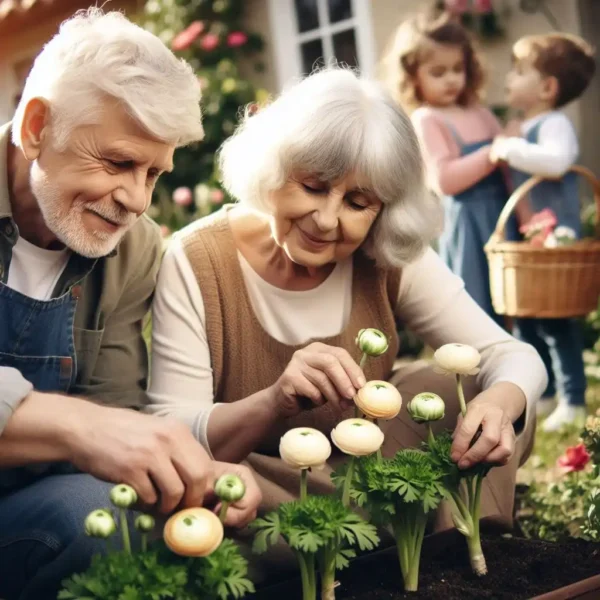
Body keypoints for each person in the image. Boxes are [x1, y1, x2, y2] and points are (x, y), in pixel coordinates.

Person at [148, 66, 548, 550]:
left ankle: (465, 555)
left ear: (383, 211)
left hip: (371, 470)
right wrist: (274, 399)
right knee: (214, 498)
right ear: (273, 167)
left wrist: (497, 404)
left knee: (464, 391)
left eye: (358, 203)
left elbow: (515, 357)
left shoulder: (387, 251)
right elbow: (174, 434)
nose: (326, 219)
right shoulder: (197, 259)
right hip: (268, 485)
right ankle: (398, 534)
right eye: (313, 187)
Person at [0, 9, 261, 600]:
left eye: (154, 173)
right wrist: (78, 426)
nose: (136, 200)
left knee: (102, 514)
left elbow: (112, 413)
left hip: (20, 510)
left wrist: (187, 473)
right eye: (118, 162)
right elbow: (94, 425)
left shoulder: (133, 247)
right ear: (38, 126)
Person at [381, 12, 526, 326]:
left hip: (502, 217)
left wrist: (526, 217)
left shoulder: (479, 112)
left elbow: (507, 172)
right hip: (468, 224)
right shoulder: (428, 118)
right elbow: (445, 180)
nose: (451, 79)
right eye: (438, 72)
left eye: (458, 69)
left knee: (516, 301)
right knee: (477, 309)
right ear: (412, 75)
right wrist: (496, 149)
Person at [490, 33, 596, 431]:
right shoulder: (529, 124)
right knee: (531, 318)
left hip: (556, 239)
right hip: (532, 237)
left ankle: (573, 398)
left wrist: (509, 148)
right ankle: (548, 391)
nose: (509, 78)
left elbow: (556, 163)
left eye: (519, 72)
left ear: (548, 88)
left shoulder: (554, 125)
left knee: (558, 320)